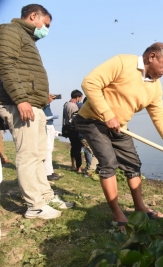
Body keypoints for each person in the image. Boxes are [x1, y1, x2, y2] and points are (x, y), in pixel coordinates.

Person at [75, 42, 163, 225]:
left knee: (132, 163)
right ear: (152, 57)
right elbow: (90, 83)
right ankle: (117, 215)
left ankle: (140, 207)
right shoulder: (122, 62)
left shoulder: (156, 87)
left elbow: (159, 116)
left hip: (120, 126)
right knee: (108, 162)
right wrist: (108, 114)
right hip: (92, 120)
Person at [0, 4, 73, 219]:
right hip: (21, 105)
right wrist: (20, 99)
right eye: (46, 25)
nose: (46, 30)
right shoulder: (11, 31)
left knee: (40, 155)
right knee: (29, 155)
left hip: (35, 105)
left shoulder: (27, 38)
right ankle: (34, 205)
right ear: (34, 16)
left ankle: (45, 195)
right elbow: (5, 64)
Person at [43, 93, 63, 181]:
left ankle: (50, 171)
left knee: (49, 149)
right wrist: (47, 102)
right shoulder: (42, 103)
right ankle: (47, 173)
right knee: (47, 149)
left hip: (50, 125)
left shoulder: (46, 105)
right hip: (46, 125)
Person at [62, 89, 83, 173]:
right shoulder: (74, 106)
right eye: (80, 97)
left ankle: (73, 165)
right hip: (74, 129)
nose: (81, 99)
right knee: (78, 148)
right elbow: (75, 119)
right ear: (77, 97)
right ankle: (79, 167)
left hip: (68, 129)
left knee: (73, 147)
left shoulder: (66, 104)